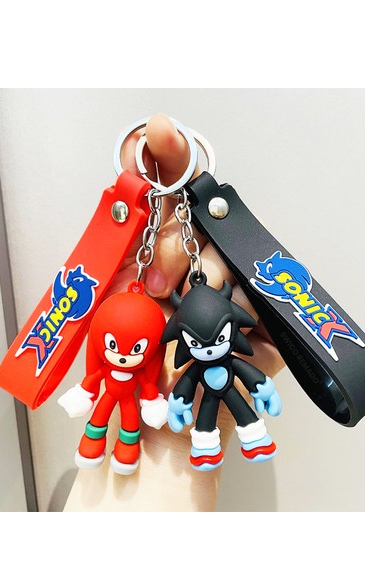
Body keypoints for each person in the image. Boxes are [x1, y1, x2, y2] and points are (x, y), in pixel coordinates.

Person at [63, 114, 285, 511]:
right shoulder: (141, 348)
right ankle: (171, 445)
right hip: (120, 400)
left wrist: (260, 389)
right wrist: (172, 404)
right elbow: (107, 372)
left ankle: (242, 438)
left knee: (229, 412)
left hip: (203, 397)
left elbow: (239, 374)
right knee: (114, 421)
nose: (124, 355)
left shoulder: (207, 357)